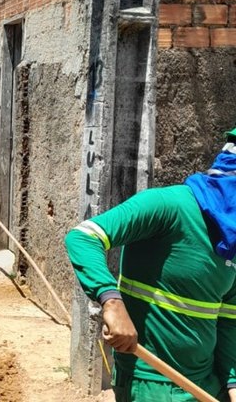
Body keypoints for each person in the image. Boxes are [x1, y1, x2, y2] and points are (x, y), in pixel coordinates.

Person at [65, 128, 236, 402]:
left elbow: (228, 321)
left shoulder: (231, 239)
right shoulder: (167, 206)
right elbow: (84, 237)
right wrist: (111, 301)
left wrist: (232, 385)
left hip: (205, 385)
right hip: (151, 384)